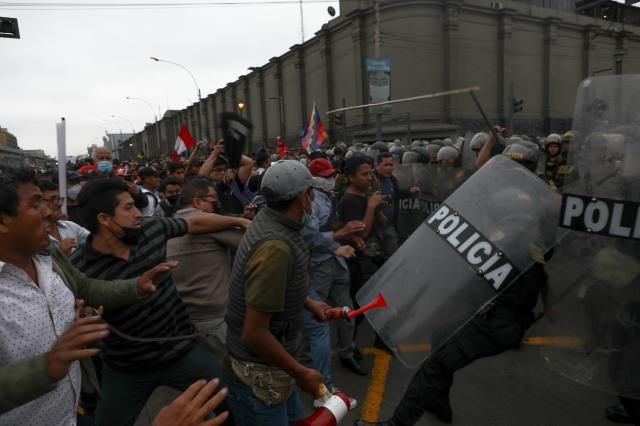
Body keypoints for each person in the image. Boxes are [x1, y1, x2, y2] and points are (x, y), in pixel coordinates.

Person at [0, 166, 174, 423]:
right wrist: (47, 366)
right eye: (36, 204)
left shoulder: (48, 255)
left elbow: (85, 288)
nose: (50, 211)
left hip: (73, 412)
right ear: (3, 220)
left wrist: (135, 286)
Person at [69, 178, 250, 425]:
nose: (137, 214)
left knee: (231, 405)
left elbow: (194, 222)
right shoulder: (79, 268)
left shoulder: (152, 229)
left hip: (182, 353)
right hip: (126, 368)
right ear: (104, 219)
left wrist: (240, 221)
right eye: (128, 208)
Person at [223, 160, 331, 425]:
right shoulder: (276, 247)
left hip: (275, 368)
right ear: (303, 199)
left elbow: (270, 286)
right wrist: (302, 372)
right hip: (259, 376)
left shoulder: (269, 219)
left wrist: (308, 303)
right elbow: (254, 333)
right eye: (311, 192)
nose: (314, 197)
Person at [167, 178, 244, 358]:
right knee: (238, 372)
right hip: (216, 317)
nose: (216, 205)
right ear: (197, 202)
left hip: (181, 317)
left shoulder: (171, 223)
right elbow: (252, 242)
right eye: (213, 200)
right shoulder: (210, 222)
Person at [305, 158, 368, 381]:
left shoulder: (329, 197)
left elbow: (333, 227)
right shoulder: (310, 202)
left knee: (346, 310)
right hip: (319, 266)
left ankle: (346, 351)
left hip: (336, 261)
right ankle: (310, 365)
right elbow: (308, 238)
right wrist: (339, 240)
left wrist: (346, 240)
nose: (331, 180)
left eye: (332, 175)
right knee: (316, 317)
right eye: (325, 177)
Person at [39, 180, 90, 255]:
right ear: (36, 203)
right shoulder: (34, 237)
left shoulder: (70, 226)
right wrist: (60, 254)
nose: (60, 204)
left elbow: (95, 240)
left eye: (59, 198)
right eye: (52, 199)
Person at [372, 152, 399, 257]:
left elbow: (396, 195)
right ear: (377, 165)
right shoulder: (370, 179)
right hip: (373, 228)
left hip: (389, 225)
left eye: (391, 165)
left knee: (393, 255)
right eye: (385, 165)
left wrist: (410, 191)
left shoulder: (392, 179)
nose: (389, 168)